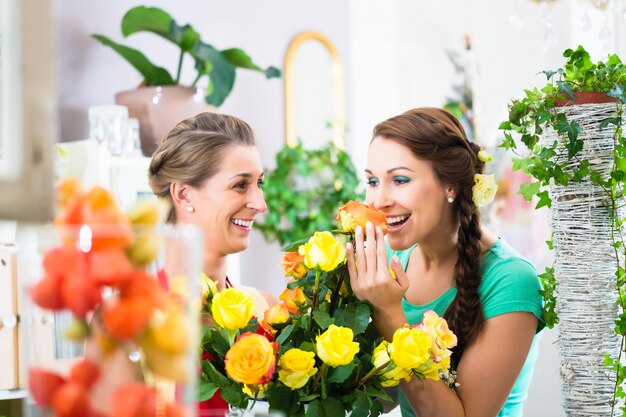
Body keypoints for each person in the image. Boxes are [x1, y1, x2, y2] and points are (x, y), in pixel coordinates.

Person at [346, 107, 544, 417]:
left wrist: (389, 314)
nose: (378, 201)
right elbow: (382, 399)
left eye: (399, 180)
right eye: (372, 182)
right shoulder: (390, 261)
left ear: (450, 185)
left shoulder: (511, 281)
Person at [148, 112, 277, 412]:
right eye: (240, 185)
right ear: (183, 194)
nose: (260, 203)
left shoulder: (267, 312)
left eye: (259, 183)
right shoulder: (129, 319)